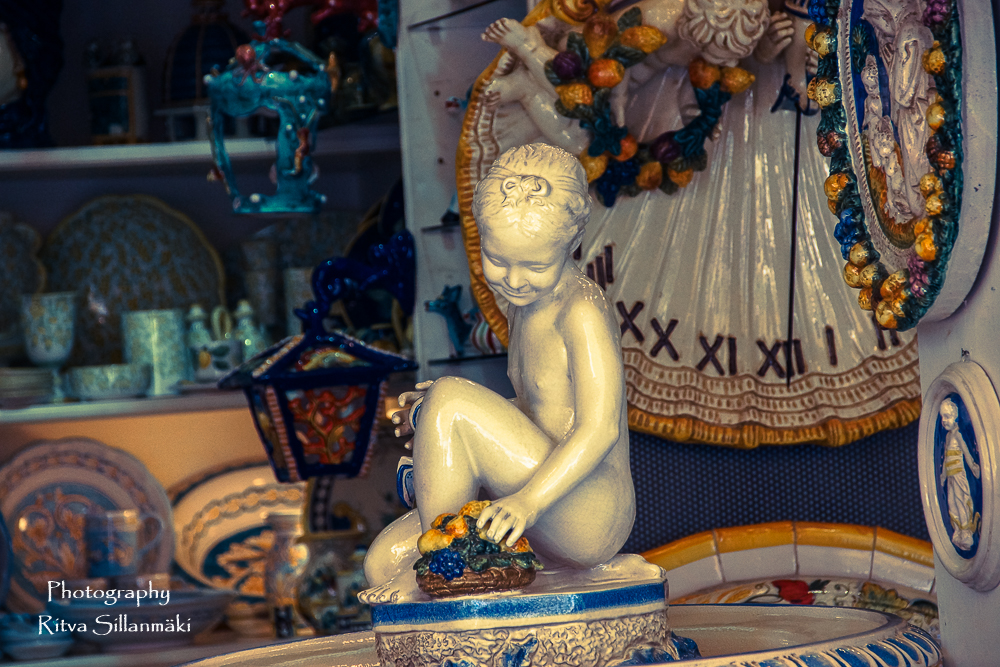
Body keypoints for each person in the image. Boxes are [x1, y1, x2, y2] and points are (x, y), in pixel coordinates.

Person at [362, 143, 641, 602]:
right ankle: (510, 574)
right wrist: (438, 421)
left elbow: (600, 428)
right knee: (383, 564)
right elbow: (542, 411)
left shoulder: (581, 310)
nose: (513, 279)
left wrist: (528, 502)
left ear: (572, 243)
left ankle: (446, 564)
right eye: (498, 260)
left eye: (534, 265)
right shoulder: (524, 305)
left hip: (587, 508)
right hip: (539, 486)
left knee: (451, 398)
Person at [939, 398, 981, 551]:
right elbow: (946, 458)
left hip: (959, 475)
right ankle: (958, 531)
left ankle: (967, 534)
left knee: (961, 502)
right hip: (951, 476)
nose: (944, 421)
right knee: (952, 503)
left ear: (955, 416)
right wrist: (943, 475)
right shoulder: (948, 436)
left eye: (947, 416)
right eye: (942, 417)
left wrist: (973, 466)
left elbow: (966, 452)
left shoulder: (958, 435)